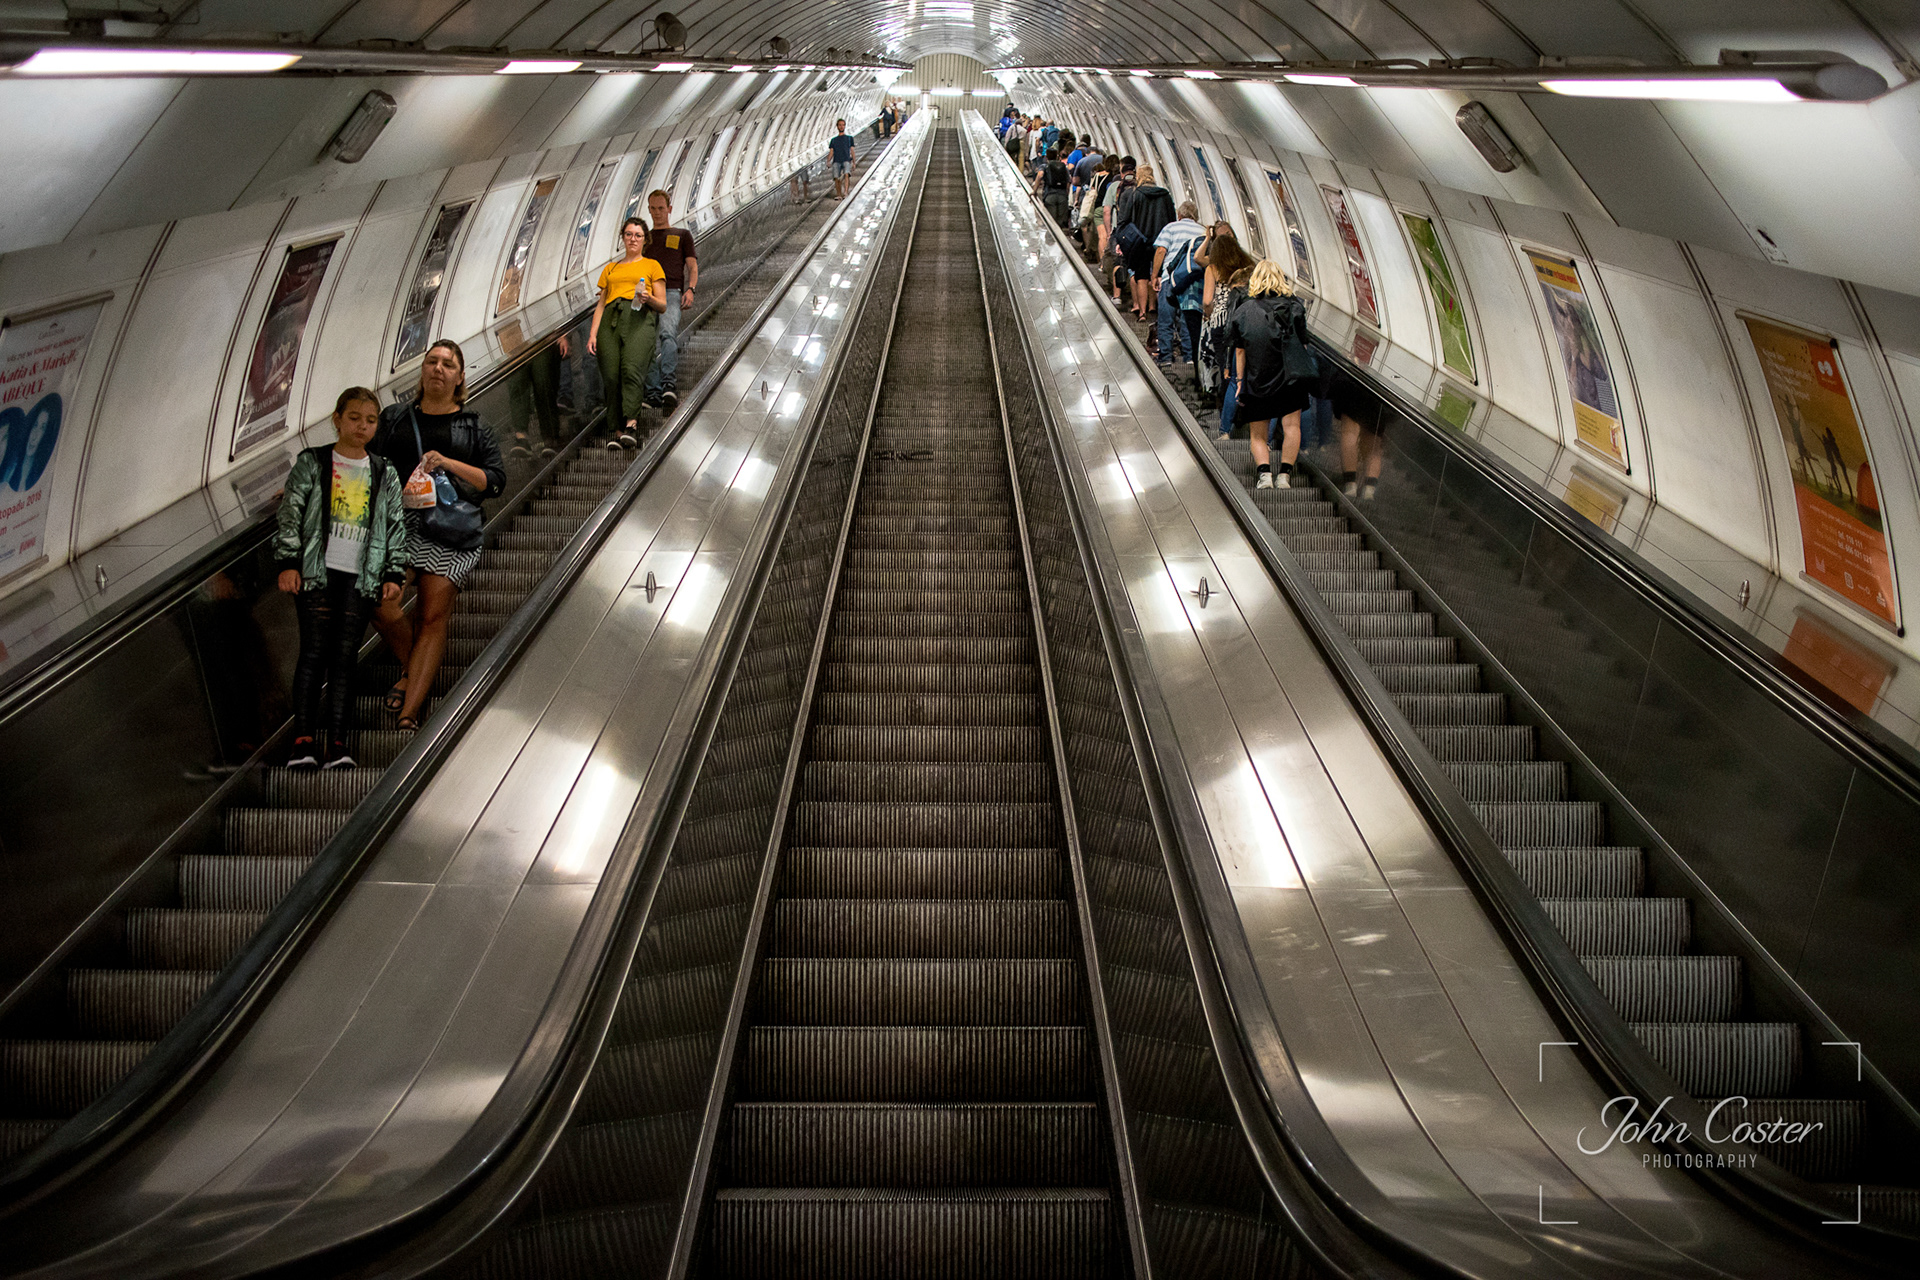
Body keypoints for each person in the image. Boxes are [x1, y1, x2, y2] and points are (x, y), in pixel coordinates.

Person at [370, 340, 507, 730]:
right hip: (399, 526)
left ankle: (410, 712)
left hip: (450, 529)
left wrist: (448, 462)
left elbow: (495, 482)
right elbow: (363, 456)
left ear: (460, 377)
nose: (438, 368)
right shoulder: (395, 418)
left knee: (432, 615)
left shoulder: (474, 426)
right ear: (422, 371)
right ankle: (413, 667)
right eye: (432, 361)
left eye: (448, 364)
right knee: (377, 601)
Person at [276, 387, 409, 768]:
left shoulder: (385, 472)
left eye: (370, 420)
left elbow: (395, 525)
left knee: (345, 657)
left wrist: (392, 572)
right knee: (314, 652)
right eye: (354, 418)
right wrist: (288, 561)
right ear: (337, 419)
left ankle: (338, 743)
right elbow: (291, 513)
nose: (362, 426)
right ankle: (303, 741)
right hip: (318, 573)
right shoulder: (314, 462)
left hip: (361, 577)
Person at [1227, 260, 1314, 490]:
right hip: (1290, 377)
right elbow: (1303, 343)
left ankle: (1264, 475)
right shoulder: (1295, 307)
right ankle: (1284, 476)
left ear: (1255, 279)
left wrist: (1239, 381)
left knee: (1258, 433)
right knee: (1292, 426)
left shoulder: (1244, 310)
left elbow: (1239, 350)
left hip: (1258, 378)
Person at [589, 216, 667, 445]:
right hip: (610, 321)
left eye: (638, 235)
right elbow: (601, 304)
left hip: (638, 319)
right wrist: (593, 333)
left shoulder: (652, 266)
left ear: (645, 239)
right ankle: (616, 430)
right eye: (629, 234)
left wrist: (648, 297)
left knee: (631, 370)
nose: (633, 239)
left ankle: (631, 424)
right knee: (611, 375)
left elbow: (662, 305)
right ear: (623, 238)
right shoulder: (610, 268)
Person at [642, 189, 698, 412]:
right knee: (647, 342)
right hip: (646, 294)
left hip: (671, 290)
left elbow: (692, 265)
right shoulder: (643, 238)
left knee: (667, 333)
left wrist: (691, 289)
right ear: (649, 210)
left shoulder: (682, 234)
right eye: (653, 209)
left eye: (661, 208)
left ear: (669, 209)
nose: (657, 213)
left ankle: (668, 384)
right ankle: (653, 391)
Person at [1199, 224, 1256, 404]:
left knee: (1225, 367)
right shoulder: (1248, 264)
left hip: (1221, 321)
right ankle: (1244, 406)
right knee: (1244, 367)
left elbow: (1208, 300)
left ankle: (1226, 412)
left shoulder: (1213, 269)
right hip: (1245, 319)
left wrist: (1208, 315)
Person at [1150, 200, 1207, 371]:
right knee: (1188, 319)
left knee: (1166, 319)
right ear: (1195, 217)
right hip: (1194, 281)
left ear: (1179, 215)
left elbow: (1161, 251)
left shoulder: (1171, 227)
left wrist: (1155, 275)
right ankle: (1190, 357)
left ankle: (1166, 357)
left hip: (1171, 278)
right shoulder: (1203, 231)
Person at [1118, 164, 1175, 330]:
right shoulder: (1165, 195)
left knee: (1141, 276)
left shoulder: (1136, 195)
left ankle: (1142, 313)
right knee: (1157, 275)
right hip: (1161, 243)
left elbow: (1126, 219)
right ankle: (1154, 307)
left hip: (1140, 242)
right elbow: (1172, 219)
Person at [1033, 146, 1072, 229]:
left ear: (1046, 157)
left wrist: (1034, 191)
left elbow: (1040, 175)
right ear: (1057, 156)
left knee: (1051, 223)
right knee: (1061, 223)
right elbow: (1069, 181)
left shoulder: (1044, 166)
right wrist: (1066, 193)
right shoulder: (1063, 167)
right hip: (1062, 196)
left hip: (1050, 195)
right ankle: (1062, 240)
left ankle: (1051, 240)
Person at [828, 118, 858, 198]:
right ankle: (838, 194)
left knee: (847, 174)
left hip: (846, 159)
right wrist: (828, 161)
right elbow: (831, 151)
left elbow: (852, 150)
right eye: (840, 125)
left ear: (845, 126)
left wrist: (854, 162)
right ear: (837, 127)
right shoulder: (833, 140)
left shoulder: (849, 138)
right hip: (836, 160)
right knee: (836, 178)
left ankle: (845, 192)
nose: (841, 127)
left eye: (843, 125)